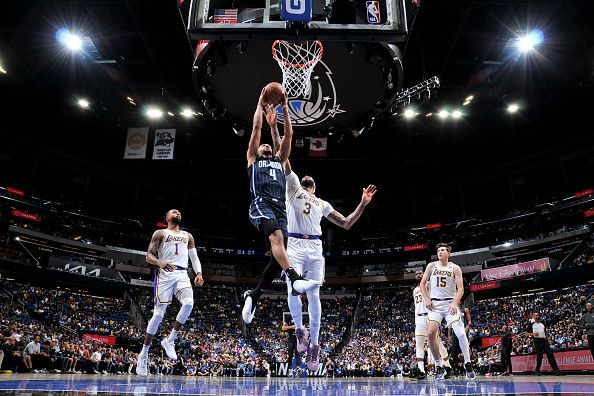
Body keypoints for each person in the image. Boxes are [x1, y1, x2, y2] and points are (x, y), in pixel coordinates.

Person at [264, 109, 377, 371]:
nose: (306, 179)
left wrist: (362, 204)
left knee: (314, 293)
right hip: (294, 243)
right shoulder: (292, 188)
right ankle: (300, 330)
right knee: (292, 288)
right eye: (305, 178)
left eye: (310, 180)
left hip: (315, 246)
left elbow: (347, 223)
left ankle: (314, 345)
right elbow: (284, 157)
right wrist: (273, 127)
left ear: (314, 186)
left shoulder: (322, 203)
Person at [242, 88, 318, 324]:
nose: (265, 145)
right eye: (262, 145)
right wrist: (259, 101)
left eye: (268, 145)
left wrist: (285, 107)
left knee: (278, 257)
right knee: (276, 237)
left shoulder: (280, 160)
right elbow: (256, 129)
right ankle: (294, 277)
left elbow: (289, 137)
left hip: (280, 209)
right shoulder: (253, 160)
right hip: (260, 204)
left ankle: (253, 297)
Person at [136, 209, 204, 376]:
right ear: (166, 218)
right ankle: (144, 353)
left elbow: (194, 258)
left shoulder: (188, 235)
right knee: (158, 314)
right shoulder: (160, 233)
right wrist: (161, 262)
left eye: (180, 212)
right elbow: (148, 256)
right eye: (174, 212)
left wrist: (199, 273)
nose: (178, 212)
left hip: (182, 273)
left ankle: (170, 340)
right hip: (165, 274)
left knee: (189, 303)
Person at [420, 243, 475, 380]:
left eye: (443, 250)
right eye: (438, 250)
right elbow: (422, 284)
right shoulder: (431, 266)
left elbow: (461, 289)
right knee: (430, 333)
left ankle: (468, 363)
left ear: (448, 253)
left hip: (450, 302)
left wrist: (455, 302)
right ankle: (439, 366)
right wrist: (426, 299)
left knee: (461, 333)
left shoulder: (455, 268)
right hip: (435, 304)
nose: (440, 252)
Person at [413, 270, 452, 380]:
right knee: (419, 346)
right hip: (419, 319)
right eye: (417, 274)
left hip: (430, 316)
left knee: (438, 343)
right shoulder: (415, 290)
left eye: (421, 273)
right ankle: (421, 371)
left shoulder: (430, 284)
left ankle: (448, 366)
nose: (419, 275)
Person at [448, 306, 471, 376]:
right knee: (454, 349)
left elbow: (469, 321)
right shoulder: (451, 309)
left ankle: (467, 365)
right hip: (454, 332)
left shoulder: (465, 309)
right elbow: (450, 324)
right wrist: (449, 335)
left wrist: (467, 327)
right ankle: (456, 368)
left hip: (463, 331)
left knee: (465, 349)